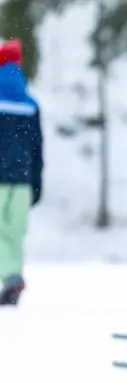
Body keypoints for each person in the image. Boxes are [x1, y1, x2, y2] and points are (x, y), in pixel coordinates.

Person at [0, 39, 42, 307]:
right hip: (23, 180)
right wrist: (36, 182)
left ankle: (10, 277)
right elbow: (38, 148)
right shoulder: (30, 103)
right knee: (15, 232)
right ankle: (12, 276)